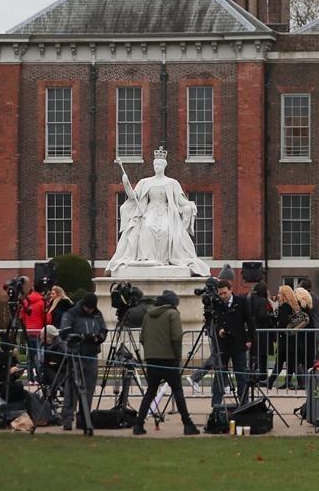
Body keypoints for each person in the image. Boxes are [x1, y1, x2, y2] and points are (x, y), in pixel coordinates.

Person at [108, 148, 210, 276]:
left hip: (165, 212)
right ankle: (147, 258)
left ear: (164, 166)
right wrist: (126, 183)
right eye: (155, 164)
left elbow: (180, 200)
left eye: (159, 164)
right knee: (147, 227)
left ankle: (162, 260)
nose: (157, 167)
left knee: (166, 230)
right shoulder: (145, 182)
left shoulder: (172, 183)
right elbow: (133, 196)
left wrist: (189, 205)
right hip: (150, 211)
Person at [133, 290, 199, 436]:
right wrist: (177, 357)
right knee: (177, 390)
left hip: (152, 359)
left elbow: (142, 338)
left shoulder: (148, 315)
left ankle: (139, 424)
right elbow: (176, 338)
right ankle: (187, 423)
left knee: (150, 391)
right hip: (169, 358)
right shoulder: (172, 314)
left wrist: (151, 352)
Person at [59, 293, 107, 431]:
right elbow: (64, 332)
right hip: (76, 355)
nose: (90, 311)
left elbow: (103, 329)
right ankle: (67, 419)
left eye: (92, 308)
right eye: (88, 308)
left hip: (92, 355)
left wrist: (99, 337)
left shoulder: (98, 314)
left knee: (89, 389)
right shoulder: (71, 313)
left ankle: (84, 419)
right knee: (72, 389)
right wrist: (82, 337)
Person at [211, 279, 254, 406]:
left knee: (241, 374)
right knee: (219, 375)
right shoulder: (217, 304)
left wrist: (249, 339)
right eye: (220, 294)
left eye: (225, 293)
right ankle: (216, 404)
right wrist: (219, 330)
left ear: (231, 290)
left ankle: (243, 403)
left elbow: (250, 321)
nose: (222, 296)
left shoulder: (241, 302)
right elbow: (214, 321)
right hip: (223, 344)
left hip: (238, 343)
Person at [267, 285, 302, 390]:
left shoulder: (285, 306)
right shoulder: (291, 306)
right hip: (288, 339)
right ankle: (271, 381)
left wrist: (275, 317)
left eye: (279, 293)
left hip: (285, 339)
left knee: (288, 362)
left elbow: (282, 322)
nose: (277, 295)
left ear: (284, 295)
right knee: (287, 362)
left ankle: (270, 382)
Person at [18, 280, 48, 382]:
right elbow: (45, 317)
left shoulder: (26, 301)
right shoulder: (42, 302)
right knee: (40, 356)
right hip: (39, 332)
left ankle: (30, 377)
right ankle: (40, 377)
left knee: (30, 356)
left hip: (28, 331)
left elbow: (21, 315)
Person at [248, 282, 276, 386]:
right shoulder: (263, 301)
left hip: (253, 331)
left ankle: (252, 377)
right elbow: (263, 316)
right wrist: (270, 317)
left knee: (254, 357)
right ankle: (262, 377)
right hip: (263, 332)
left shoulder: (250, 299)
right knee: (263, 357)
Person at [294, 286, 316, 390]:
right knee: (307, 362)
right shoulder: (308, 310)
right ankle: (307, 383)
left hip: (302, 340)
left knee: (300, 360)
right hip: (308, 339)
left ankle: (303, 383)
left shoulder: (301, 312)